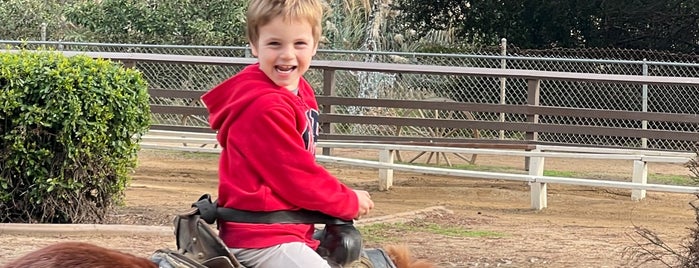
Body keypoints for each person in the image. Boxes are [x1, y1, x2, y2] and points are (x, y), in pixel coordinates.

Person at [200, 0, 374, 267]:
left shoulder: (300, 91)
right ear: (254, 45)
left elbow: (300, 168)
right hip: (262, 238)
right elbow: (296, 177)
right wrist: (347, 200)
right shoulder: (263, 106)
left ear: (315, 45)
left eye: (299, 44)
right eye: (274, 44)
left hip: (286, 230)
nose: (287, 55)